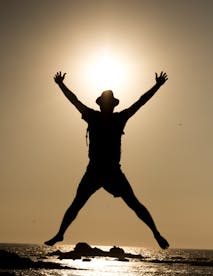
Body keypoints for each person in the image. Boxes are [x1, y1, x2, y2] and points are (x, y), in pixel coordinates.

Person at [44, 70, 169, 250]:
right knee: (77, 204)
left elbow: (141, 102)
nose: (107, 105)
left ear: (110, 105)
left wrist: (156, 86)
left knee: (134, 204)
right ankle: (60, 233)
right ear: (103, 104)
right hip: (95, 170)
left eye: (109, 103)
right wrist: (61, 85)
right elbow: (74, 101)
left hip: (111, 171)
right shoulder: (94, 116)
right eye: (106, 102)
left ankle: (156, 233)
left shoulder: (118, 118)